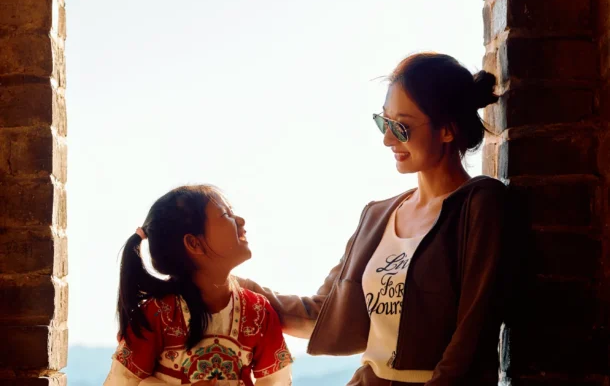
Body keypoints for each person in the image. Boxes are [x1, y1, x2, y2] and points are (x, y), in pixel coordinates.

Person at [240, 53, 521, 386]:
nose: (387, 139)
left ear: (447, 129)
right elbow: (326, 313)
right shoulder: (377, 216)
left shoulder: (481, 203)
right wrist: (232, 287)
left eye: (400, 126)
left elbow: (474, 330)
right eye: (383, 122)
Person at [103, 185, 293, 386]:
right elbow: (122, 382)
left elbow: (276, 381)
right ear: (194, 243)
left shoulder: (258, 311)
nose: (240, 221)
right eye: (225, 215)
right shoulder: (158, 314)